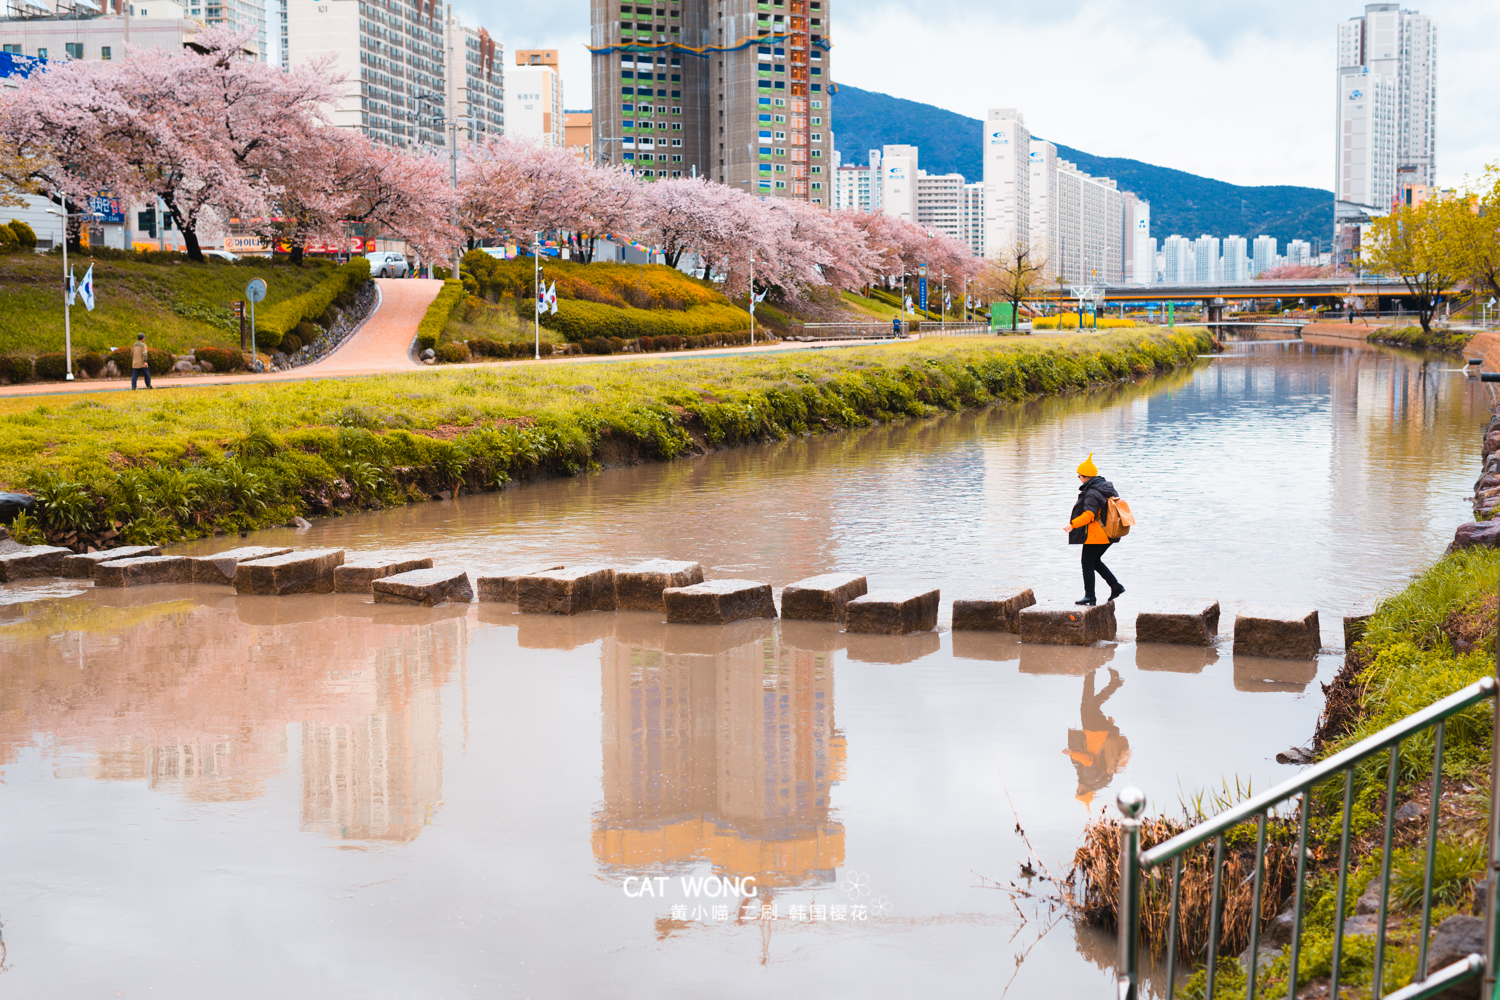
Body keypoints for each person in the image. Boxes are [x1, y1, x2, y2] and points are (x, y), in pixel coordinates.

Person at [1065, 452, 1123, 606]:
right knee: (1094, 561)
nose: (1079, 479)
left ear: (1086, 477)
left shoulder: (1091, 492)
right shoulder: (1107, 488)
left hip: (1097, 535)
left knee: (1087, 563)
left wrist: (1073, 524)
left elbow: (1089, 515)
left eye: (1079, 476)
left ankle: (1090, 596)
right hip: (1111, 533)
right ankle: (1115, 586)